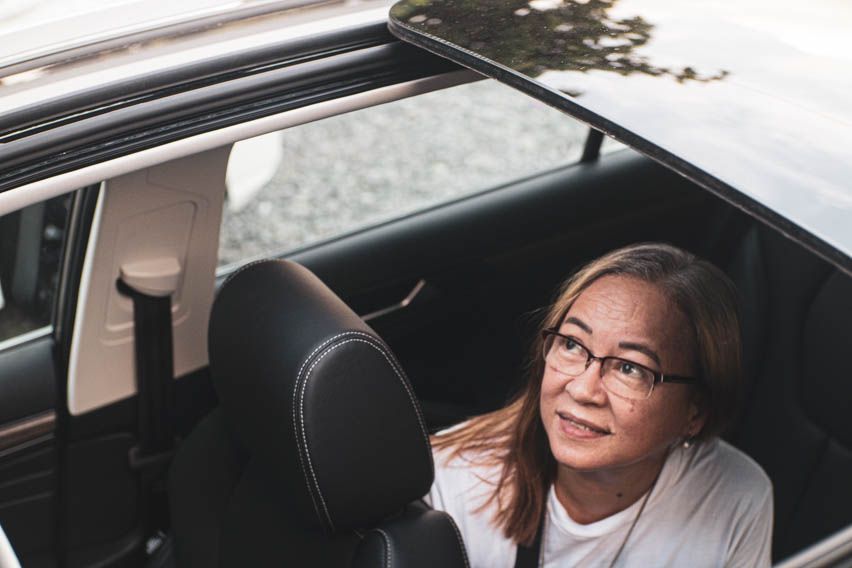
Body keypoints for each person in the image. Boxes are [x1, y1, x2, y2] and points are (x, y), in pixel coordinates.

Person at [427, 243, 773, 567]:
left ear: (694, 412)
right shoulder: (452, 480)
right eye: (572, 345)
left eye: (630, 368)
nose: (582, 389)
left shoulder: (735, 497)